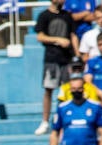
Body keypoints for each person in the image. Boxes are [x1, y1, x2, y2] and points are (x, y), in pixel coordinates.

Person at [33, 0, 79, 135]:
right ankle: (45, 121)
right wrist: (57, 40)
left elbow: (73, 35)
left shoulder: (67, 16)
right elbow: (40, 36)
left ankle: (69, 119)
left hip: (67, 60)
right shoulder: (44, 16)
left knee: (68, 91)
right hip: (51, 59)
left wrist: (77, 55)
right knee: (48, 90)